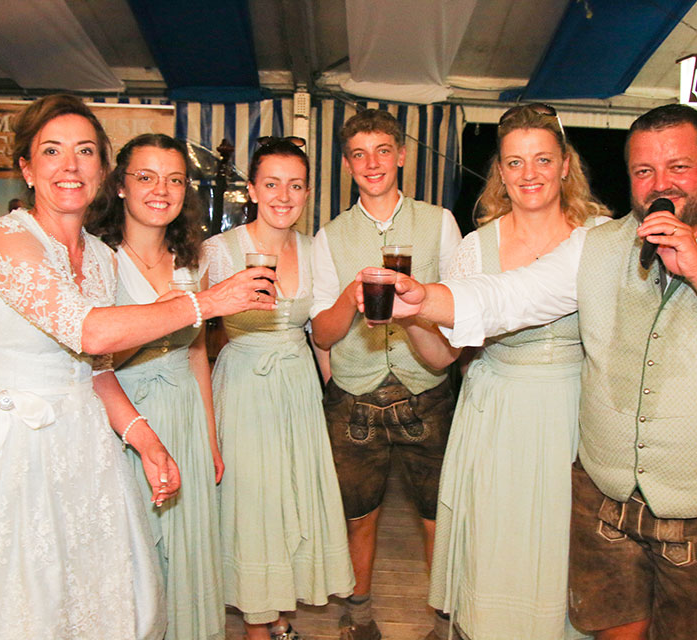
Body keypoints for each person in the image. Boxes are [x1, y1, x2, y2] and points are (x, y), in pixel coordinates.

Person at [378, 103, 697, 640]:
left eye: (678, 167)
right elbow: (515, 294)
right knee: (610, 629)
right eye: (644, 171)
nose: (661, 184)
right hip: (606, 498)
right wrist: (424, 298)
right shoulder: (599, 242)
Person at [0, 95, 277, 640]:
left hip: (83, 447)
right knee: (16, 602)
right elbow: (87, 330)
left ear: (101, 169)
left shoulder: (99, 256)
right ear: (27, 168)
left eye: (85, 151)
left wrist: (146, 440)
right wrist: (207, 302)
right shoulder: (4, 241)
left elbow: (95, 368)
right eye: (52, 151)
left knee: (85, 599)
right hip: (10, 449)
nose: (70, 165)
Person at [403, 104, 609, 640]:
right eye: (515, 162)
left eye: (542, 159)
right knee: (499, 542)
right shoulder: (476, 248)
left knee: (563, 544)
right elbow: (442, 356)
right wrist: (410, 318)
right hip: (496, 415)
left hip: (575, 413)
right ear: (500, 170)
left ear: (566, 164)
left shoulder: (601, 238)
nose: (529, 174)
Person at [311, 109, 462, 640]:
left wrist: (417, 308)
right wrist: (349, 298)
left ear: (401, 156)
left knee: (437, 515)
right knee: (358, 517)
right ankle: (359, 617)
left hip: (427, 389)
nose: (371, 163)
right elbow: (322, 334)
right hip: (354, 395)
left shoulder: (440, 222)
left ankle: (442, 621)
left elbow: (459, 310)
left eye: (381, 151)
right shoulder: (329, 237)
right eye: (359, 154)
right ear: (347, 164)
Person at [202, 136, 354, 640]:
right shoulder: (218, 251)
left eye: (295, 185)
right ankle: (258, 625)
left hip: (298, 389)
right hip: (245, 385)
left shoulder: (314, 250)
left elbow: (321, 334)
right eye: (271, 184)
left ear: (307, 192)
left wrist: (334, 400)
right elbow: (190, 331)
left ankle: (277, 614)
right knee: (254, 502)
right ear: (251, 189)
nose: (283, 196)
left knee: (292, 497)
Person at [86, 133, 225, 640]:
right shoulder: (97, 259)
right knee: (134, 551)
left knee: (187, 550)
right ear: (121, 185)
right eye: (146, 177)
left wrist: (210, 436)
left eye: (174, 179)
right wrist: (161, 313)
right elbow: (92, 364)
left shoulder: (192, 261)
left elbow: (196, 351)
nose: (161, 190)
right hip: (125, 420)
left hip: (184, 414)